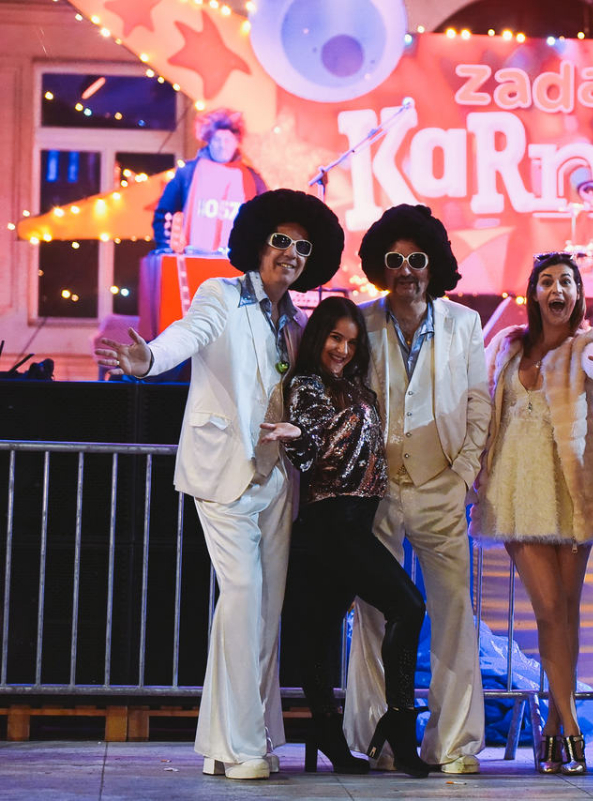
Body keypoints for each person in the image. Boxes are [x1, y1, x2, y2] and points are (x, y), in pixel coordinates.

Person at [95, 188, 344, 779]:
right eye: (281, 240)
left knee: (263, 612)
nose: (290, 253)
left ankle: (230, 740)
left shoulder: (298, 323)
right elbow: (189, 333)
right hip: (224, 470)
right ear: (259, 243)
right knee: (243, 597)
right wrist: (148, 361)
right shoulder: (221, 294)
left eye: (303, 247)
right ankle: (243, 747)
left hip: (277, 480)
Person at [470, 252, 593, 775]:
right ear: (534, 292)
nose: (557, 289)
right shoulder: (507, 345)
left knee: (567, 608)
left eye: (567, 281)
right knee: (547, 610)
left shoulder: (585, 344)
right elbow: (483, 408)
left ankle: (553, 729)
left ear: (578, 294)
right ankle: (569, 728)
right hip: (516, 488)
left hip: (571, 487)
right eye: (547, 281)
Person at [343, 204, 490, 775]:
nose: (406, 269)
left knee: (454, 615)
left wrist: (462, 477)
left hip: (440, 486)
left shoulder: (464, 323)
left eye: (418, 259)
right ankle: (376, 740)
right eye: (395, 259)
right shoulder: (360, 321)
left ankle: (452, 744)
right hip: (374, 491)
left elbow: (477, 403)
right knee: (373, 617)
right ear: (380, 266)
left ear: (436, 266)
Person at [259, 297, 428, 777]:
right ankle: (398, 724)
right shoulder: (308, 385)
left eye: (352, 343)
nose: (343, 350)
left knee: (319, 632)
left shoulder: (354, 387)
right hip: (332, 524)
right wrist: (296, 434)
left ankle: (330, 732)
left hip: (349, 524)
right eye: (335, 338)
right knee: (407, 606)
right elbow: (310, 444)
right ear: (319, 337)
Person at [152, 108, 268, 252]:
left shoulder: (253, 178)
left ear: (236, 142)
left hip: (237, 261)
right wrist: (166, 246)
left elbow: (267, 219)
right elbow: (164, 213)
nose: (222, 145)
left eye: (227, 140)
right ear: (209, 141)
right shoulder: (187, 173)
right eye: (217, 140)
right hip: (192, 258)